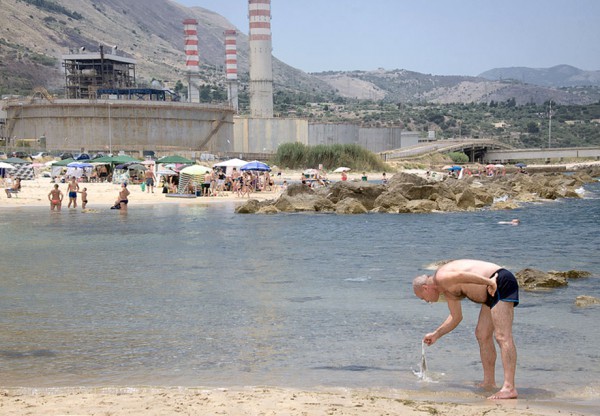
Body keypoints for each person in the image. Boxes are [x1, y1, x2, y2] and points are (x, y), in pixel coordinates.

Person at [412, 259, 519, 400]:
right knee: (482, 334)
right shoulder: (446, 289)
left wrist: (490, 282)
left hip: (499, 281)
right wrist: (436, 334)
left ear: (425, 288)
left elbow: (462, 275)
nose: (428, 302)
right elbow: (456, 317)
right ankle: (489, 382)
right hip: (489, 293)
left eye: (423, 298)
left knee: (502, 336)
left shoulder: (441, 278)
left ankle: (509, 388)